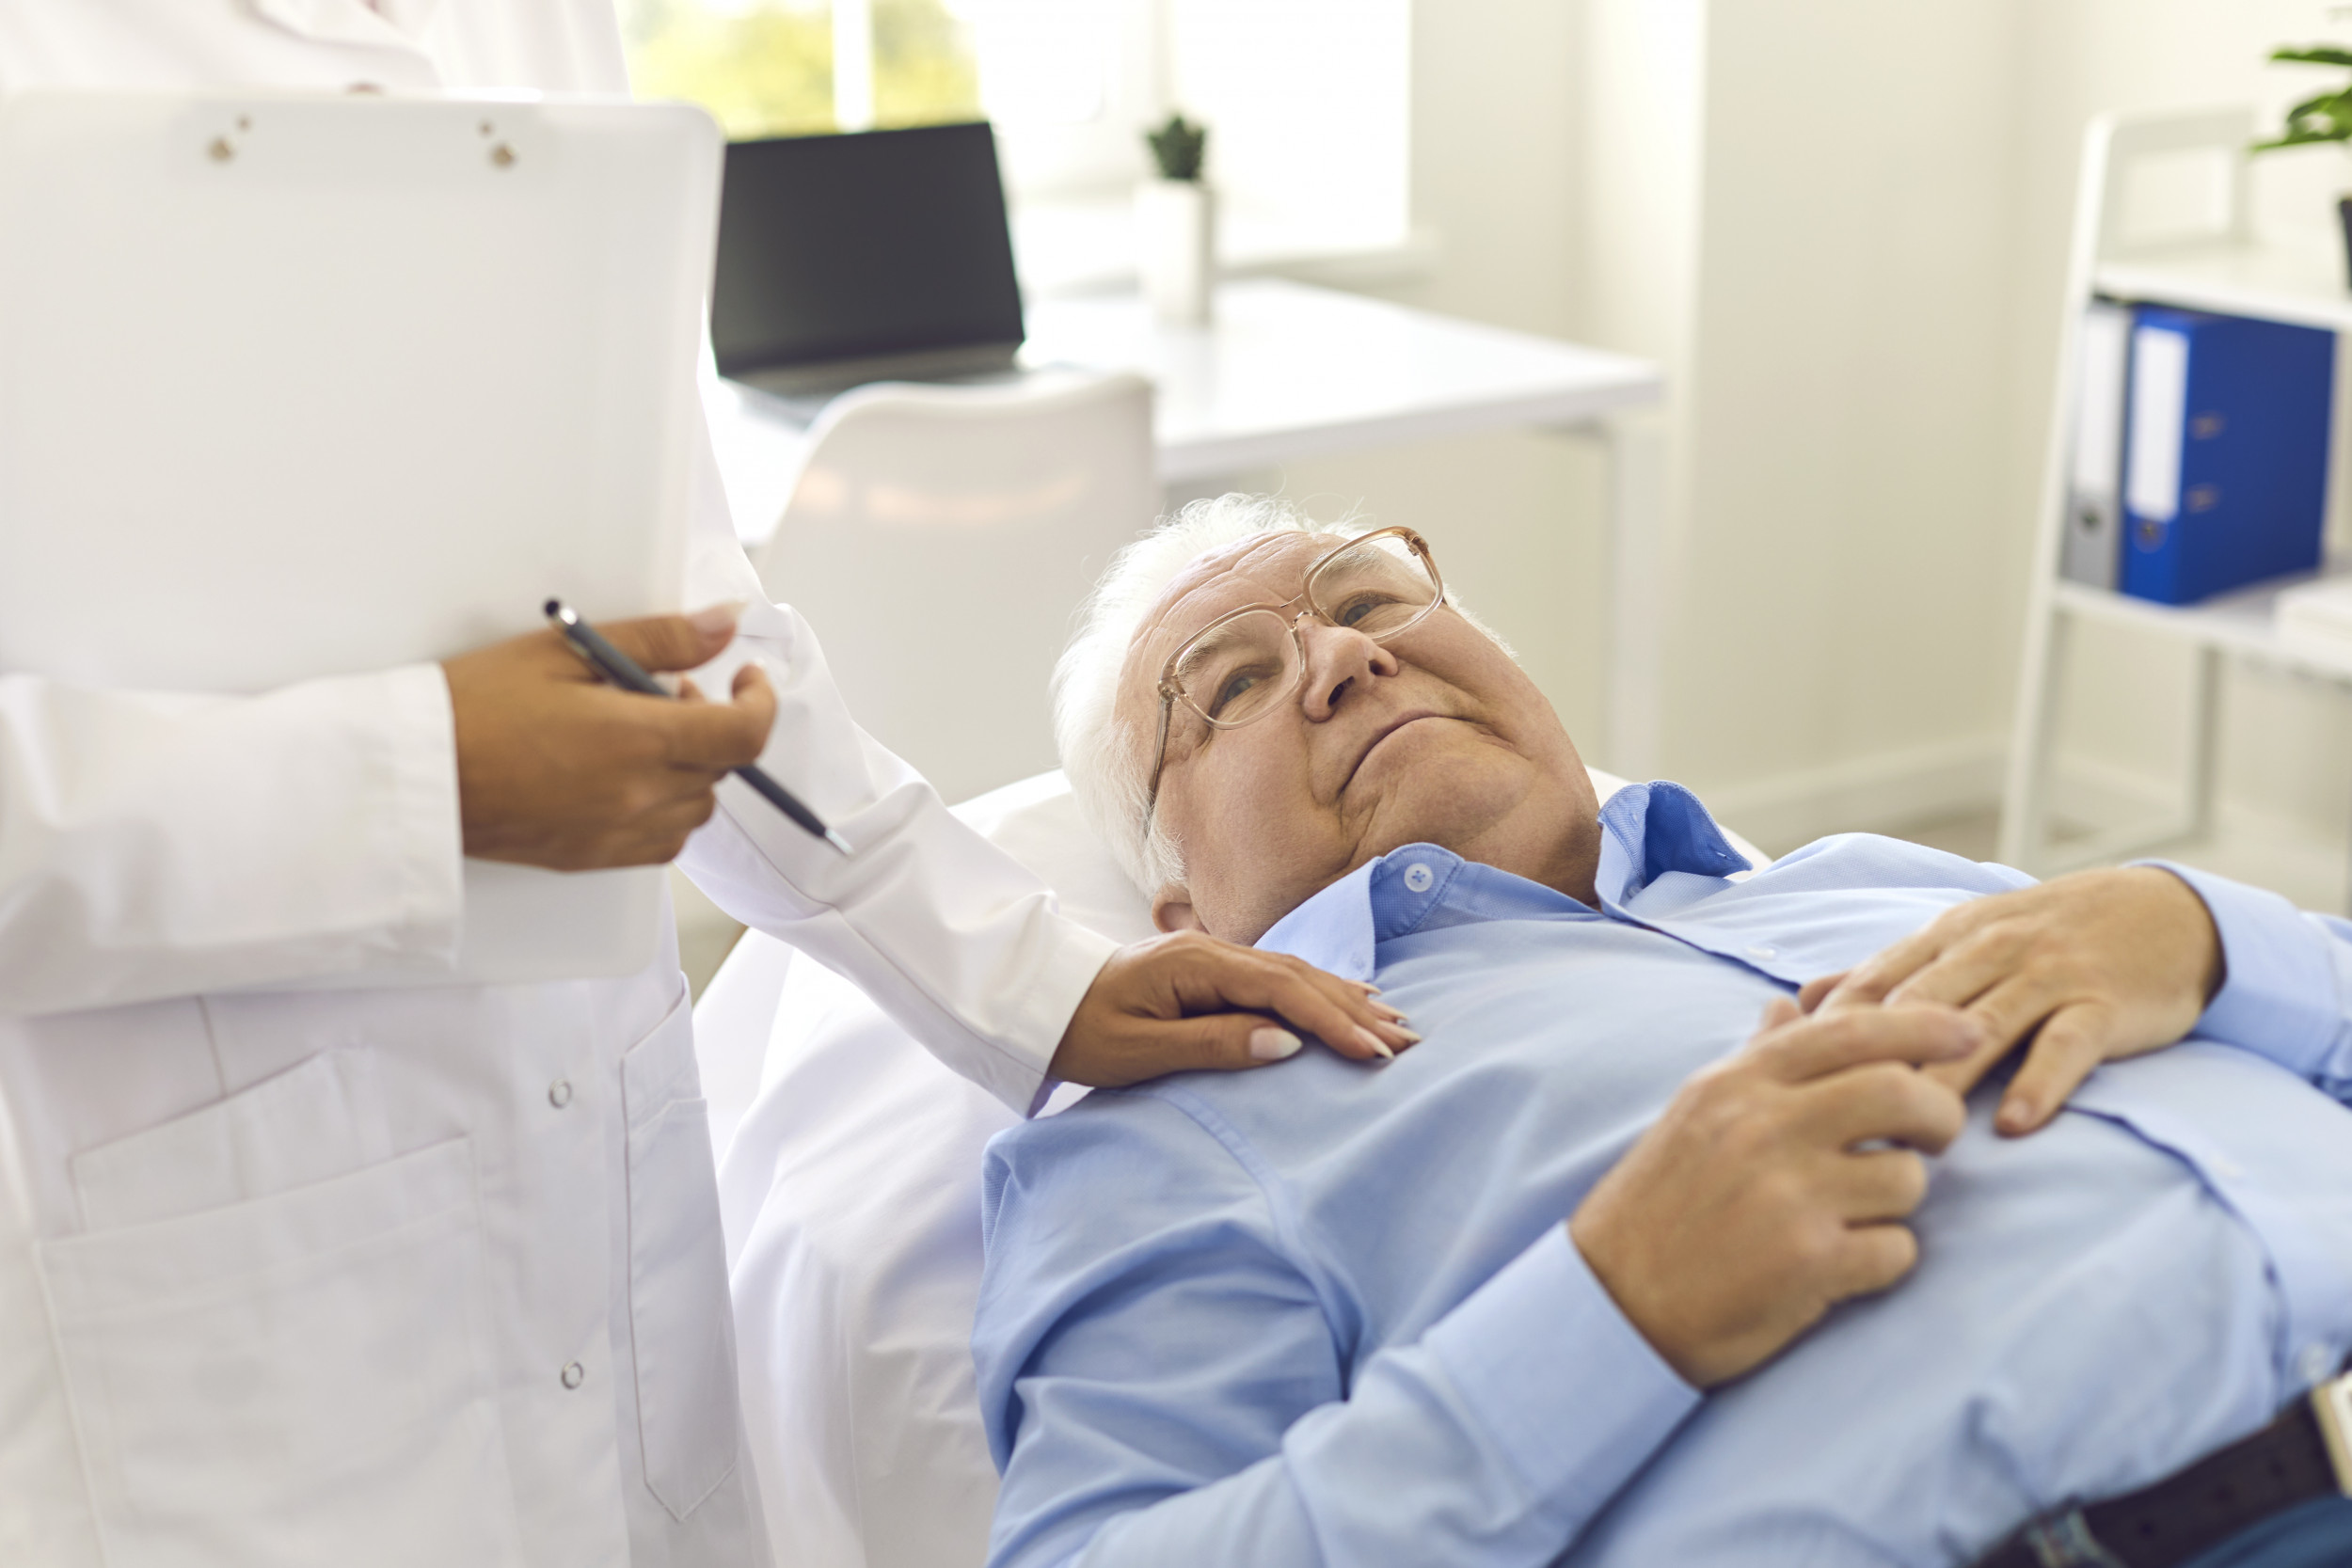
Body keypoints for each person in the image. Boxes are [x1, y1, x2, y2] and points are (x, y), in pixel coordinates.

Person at [0, 10, 1409, 1567]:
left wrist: (1027, 977)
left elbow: (680, 621)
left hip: (591, 1181)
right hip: (212, 1254)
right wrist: (423, 785)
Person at [973, 496, 2352, 1568]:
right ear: (1180, 911)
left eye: (1372, 596)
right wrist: (1615, 1306)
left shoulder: (1864, 874)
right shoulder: (1186, 1131)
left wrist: (2209, 934)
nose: (1344, 653)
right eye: (1230, 687)